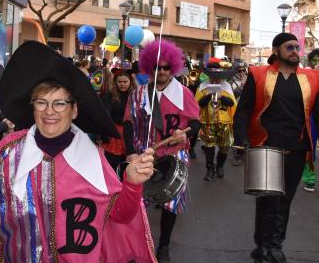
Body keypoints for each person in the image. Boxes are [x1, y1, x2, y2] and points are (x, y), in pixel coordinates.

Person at [0, 41, 157, 263]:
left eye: (59, 103)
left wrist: (132, 184)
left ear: (74, 110)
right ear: (33, 107)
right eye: (42, 102)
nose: (50, 111)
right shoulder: (10, 150)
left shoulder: (92, 159)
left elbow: (120, 215)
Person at [234, 33, 319, 263]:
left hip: (297, 149)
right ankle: (263, 245)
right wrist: (240, 139)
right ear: (276, 50)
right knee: (268, 200)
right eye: (289, 47)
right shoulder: (259, 75)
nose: (295, 50)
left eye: (296, 46)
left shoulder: (312, 78)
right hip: (266, 147)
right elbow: (243, 109)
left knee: (285, 201)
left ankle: (274, 245)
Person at [123, 39, 201, 262]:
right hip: (144, 154)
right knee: (138, 202)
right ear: (150, 67)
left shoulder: (184, 93)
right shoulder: (138, 94)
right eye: (158, 67)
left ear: (173, 68)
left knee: (170, 202)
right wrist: (130, 151)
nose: (163, 72)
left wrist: (185, 133)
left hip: (174, 155)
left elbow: (196, 123)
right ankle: (134, 242)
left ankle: (164, 244)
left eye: (167, 67)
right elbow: (128, 123)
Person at [195, 58, 237, 181]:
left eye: (217, 76)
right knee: (209, 146)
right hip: (207, 121)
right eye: (213, 76)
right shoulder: (202, 86)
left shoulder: (227, 86)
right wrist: (209, 95)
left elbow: (231, 104)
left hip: (225, 122)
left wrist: (222, 97)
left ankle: (220, 166)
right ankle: (209, 169)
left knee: (225, 146)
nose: (215, 79)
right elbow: (198, 104)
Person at [100, 69, 136, 178]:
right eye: (120, 82)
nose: (122, 84)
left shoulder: (135, 96)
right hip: (114, 135)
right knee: (112, 167)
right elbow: (104, 116)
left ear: (130, 82)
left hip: (131, 135)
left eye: (125, 82)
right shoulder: (109, 96)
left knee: (129, 168)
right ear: (115, 82)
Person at [302, 48, 319, 192]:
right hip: (312, 116)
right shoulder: (306, 75)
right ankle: (309, 179)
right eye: (315, 60)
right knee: (310, 147)